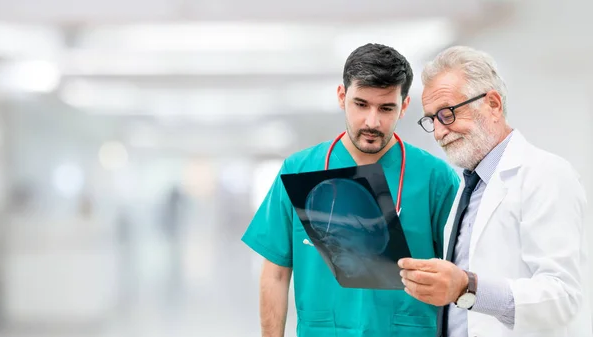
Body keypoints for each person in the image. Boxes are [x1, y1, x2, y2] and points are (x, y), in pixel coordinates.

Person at [241, 43, 460, 337]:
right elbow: (276, 273)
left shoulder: (435, 179)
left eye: (386, 108)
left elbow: (460, 275)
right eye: (361, 104)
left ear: (405, 106)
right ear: (342, 97)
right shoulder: (300, 170)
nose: (372, 121)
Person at [399, 45, 592, 337]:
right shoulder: (468, 189)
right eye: (431, 119)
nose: (439, 132)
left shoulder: (546, 174)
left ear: (492, 104)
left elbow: (563, 296)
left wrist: (468, 287)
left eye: (447, 113)